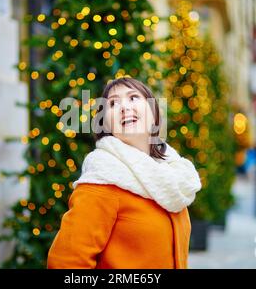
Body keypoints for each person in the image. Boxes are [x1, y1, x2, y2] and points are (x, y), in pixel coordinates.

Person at [47, 77, 202, 269]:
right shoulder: (103, 180)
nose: (124, 107)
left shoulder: (171, 175)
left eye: (133, 97)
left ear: (153, 113)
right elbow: (65, 263)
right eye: (113, 103)